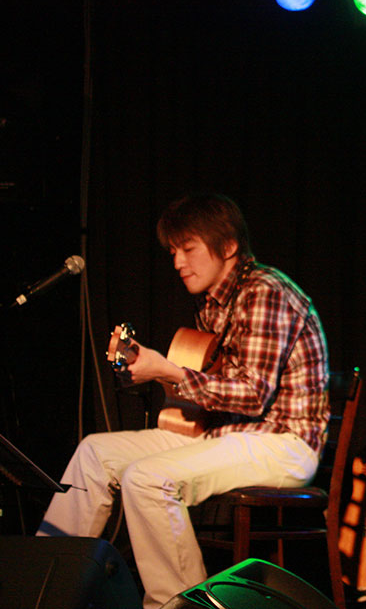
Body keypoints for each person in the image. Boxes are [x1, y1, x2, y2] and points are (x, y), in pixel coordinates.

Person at [37, 194, 330, 608]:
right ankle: (46, 587)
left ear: (228, 246)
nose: (177, 262)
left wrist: (169, 371)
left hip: (282, 443)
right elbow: (210, 388)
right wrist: (150, 368)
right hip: (223, 434)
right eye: (173, 251)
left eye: (188, 249)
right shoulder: (212, 301)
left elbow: (252, 394)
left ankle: (178, 606)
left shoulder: (265, 292)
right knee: (94, 453)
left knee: (148, 478)